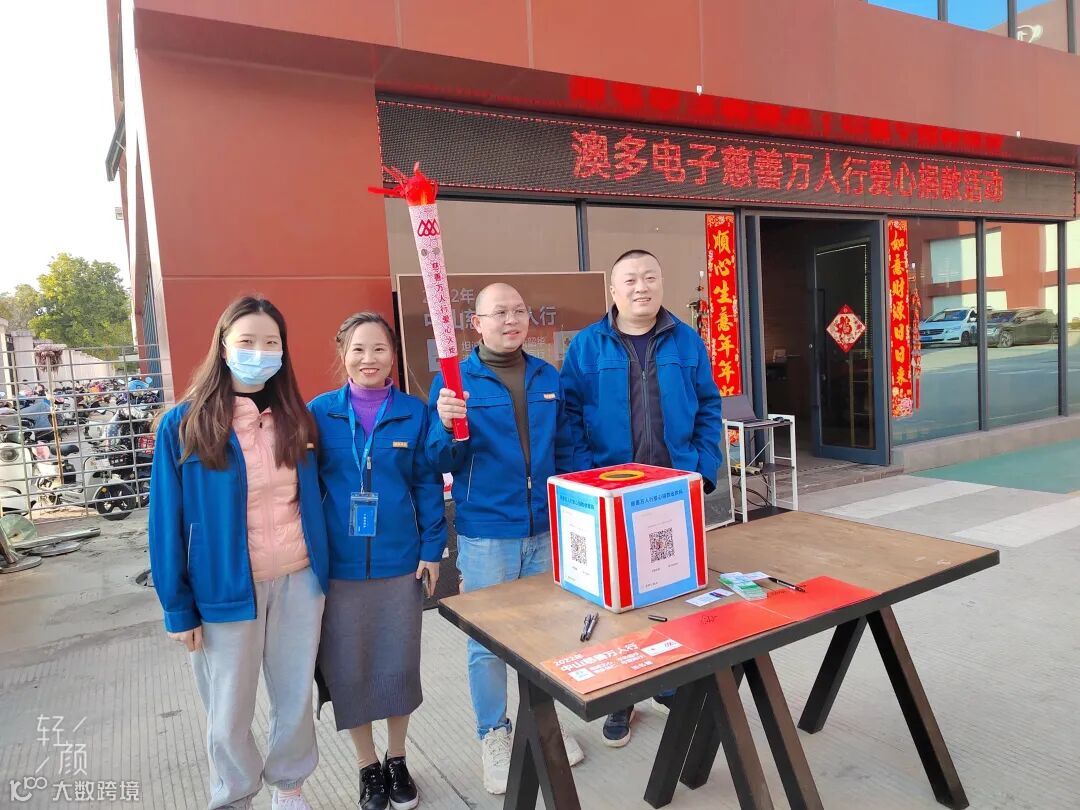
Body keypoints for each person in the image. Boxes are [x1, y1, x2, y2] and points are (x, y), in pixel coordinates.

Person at [148, 296, 329, 810]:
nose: (259, 352)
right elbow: (165, 522)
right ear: (224, 347)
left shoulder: (296, 420)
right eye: (247, 341)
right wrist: (177, 607)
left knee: (294, 697)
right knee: (228, 710)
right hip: (224, 590)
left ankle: (289, 788)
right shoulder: (184, 425)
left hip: (299, 581)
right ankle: (234, 796)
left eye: (271, 342)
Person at [426, 283, 586, 795]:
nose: (511, 319)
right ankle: (493, 733)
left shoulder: (546, 376)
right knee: (488, 643)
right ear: (477, 323)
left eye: (518, 311)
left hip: (545, 528)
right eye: (499, 312)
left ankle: (544, 723)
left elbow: (566, 450)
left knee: (546, 634)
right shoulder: (454, 383)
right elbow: (440, 460)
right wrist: (444, 424)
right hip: (488, 533)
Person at [560, 249, 724, 748]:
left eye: (649, 277)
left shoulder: (686, 340)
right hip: (614, 499)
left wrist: (702, 470)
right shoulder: (587, 346)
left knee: (673, 590)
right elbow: (569, 417)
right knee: (619, 599)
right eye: (629, 279)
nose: (641, 287)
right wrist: (591, 482)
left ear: (661, 283)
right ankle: (623, 695)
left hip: (673, 492)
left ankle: (670, 681)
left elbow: (709, 406)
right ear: (613, 290)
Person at [308, 312, 446, 810]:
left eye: (380, 349)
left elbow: (427, 482)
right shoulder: (318, 413)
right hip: (339, 569)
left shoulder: (414, 412)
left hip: (399, 563)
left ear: (393, 355)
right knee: (350, 669)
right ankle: (367, 766)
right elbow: (303, 491)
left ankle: (397, 758)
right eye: (359, 349)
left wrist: (431, 548)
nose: (370, 359)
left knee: (397, 665)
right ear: (342, 354)